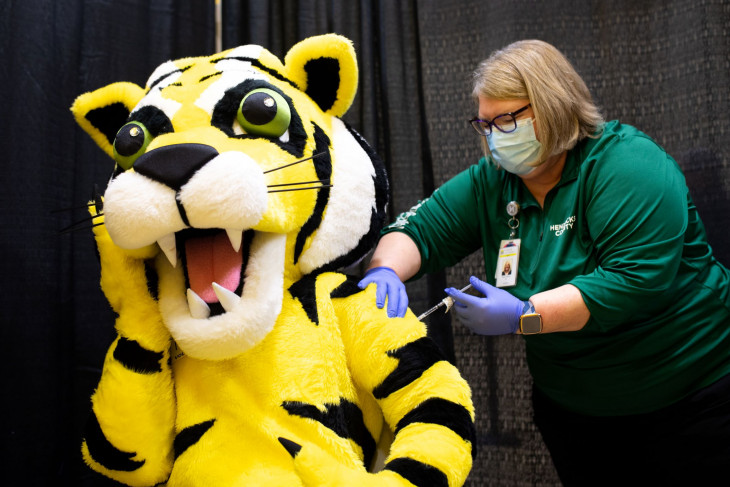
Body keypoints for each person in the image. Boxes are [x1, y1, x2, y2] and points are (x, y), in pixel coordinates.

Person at [358, 39, 730, 485]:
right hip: (576, 414)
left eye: (508, 120)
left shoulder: (625, 164)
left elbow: (633, 282)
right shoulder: (495, 183)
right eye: (484, 123)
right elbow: (416, 230)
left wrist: (523, 317)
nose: (495, 135)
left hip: (693, 400)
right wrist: (384, 269)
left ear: (553, 107)